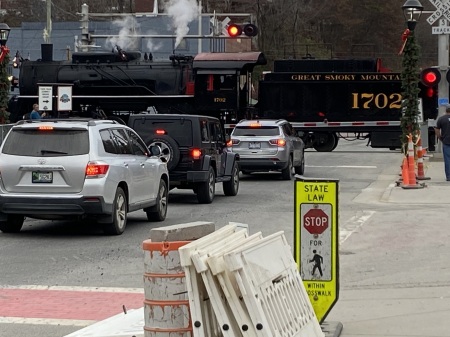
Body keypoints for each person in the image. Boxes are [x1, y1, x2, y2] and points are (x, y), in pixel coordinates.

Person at [435, 105, 450, 181]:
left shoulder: (441, 119)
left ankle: (448, 176)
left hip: (446, 141)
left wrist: (440, 137)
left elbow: (437, 130)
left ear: (446, 110)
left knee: (447, 159)